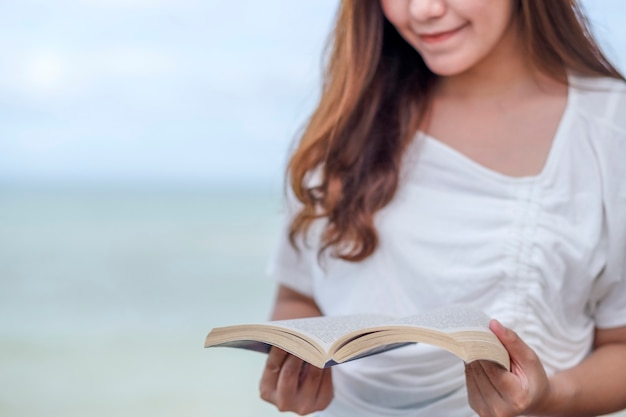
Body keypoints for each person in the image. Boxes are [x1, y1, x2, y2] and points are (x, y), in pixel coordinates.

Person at [259, 1, 626, 416]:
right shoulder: (344, 126)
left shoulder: (610, 127)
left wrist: (551, 398)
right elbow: (298, 295)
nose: (423, 11)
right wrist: (294, 365)